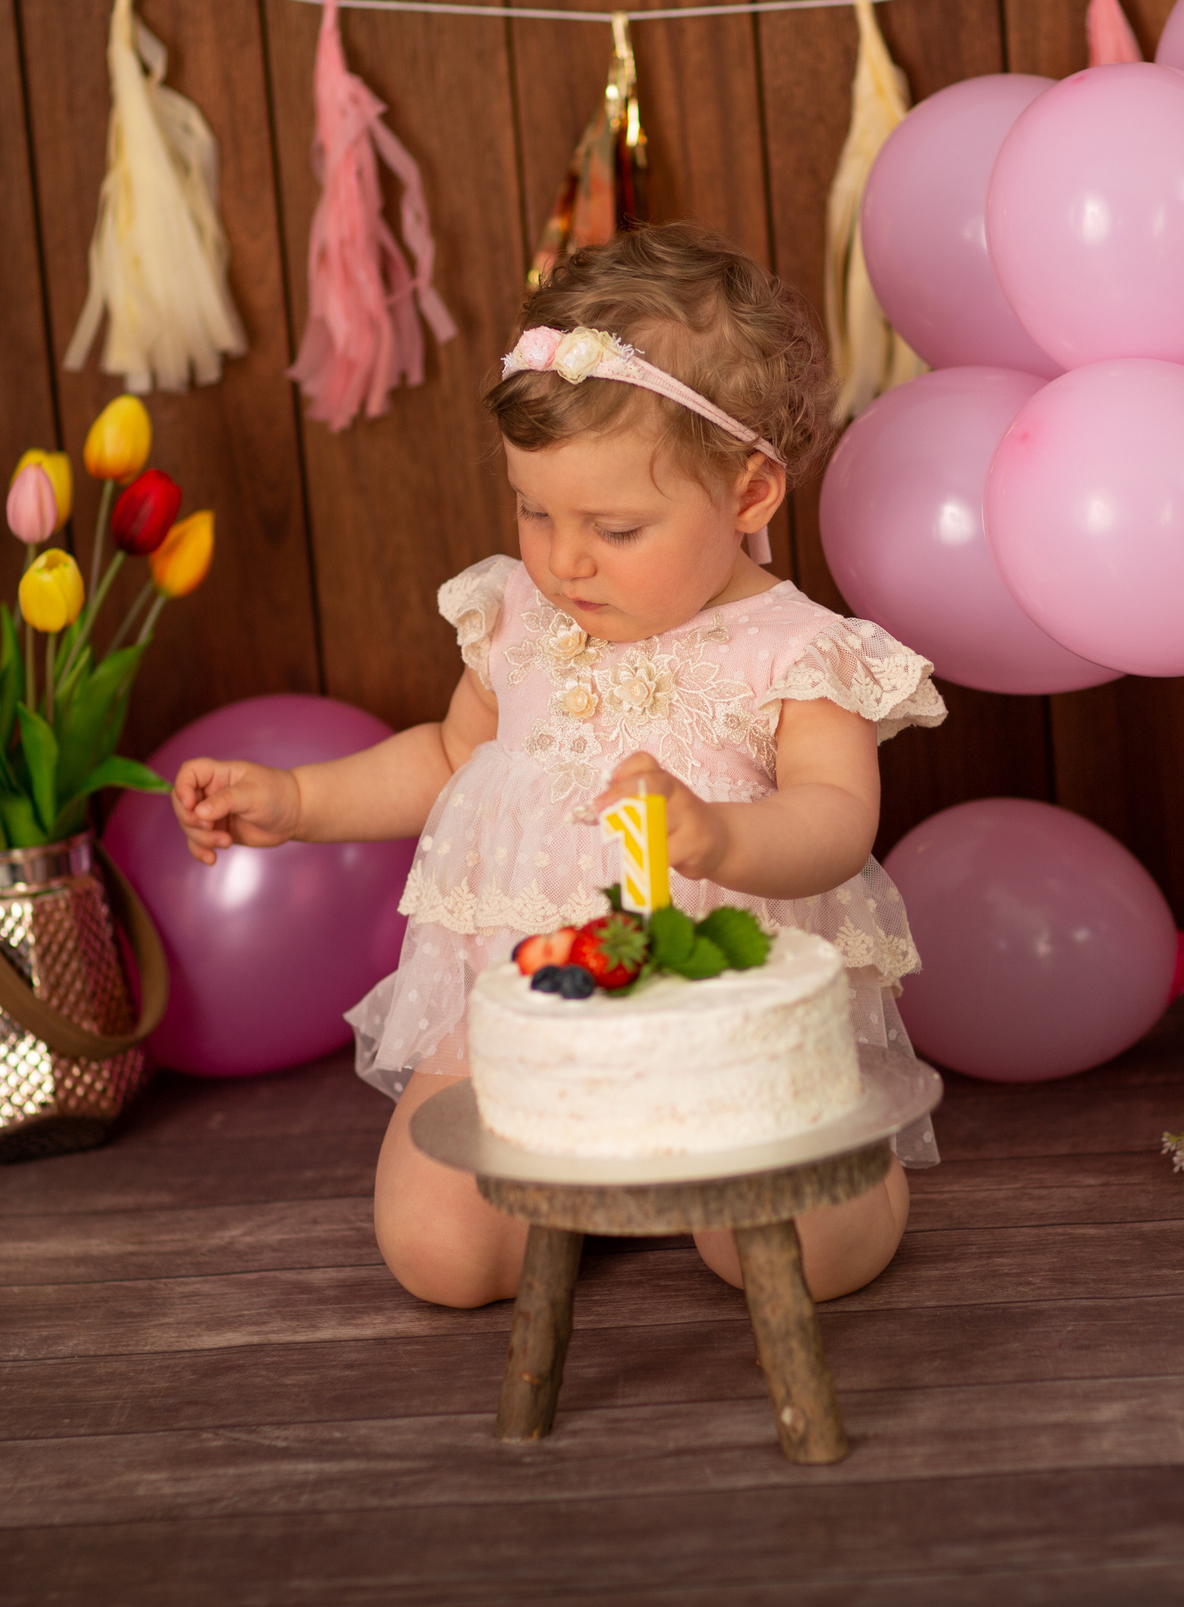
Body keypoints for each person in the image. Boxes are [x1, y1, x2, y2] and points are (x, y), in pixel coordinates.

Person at [173, 223, 944, 1308]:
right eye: (532, 510)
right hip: (523, 1011)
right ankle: (572, 1184)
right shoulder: (519, 616)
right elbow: (448, 755)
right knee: (440, 1257)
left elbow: (834, 819)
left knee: (805, 1260)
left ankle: (800, 1185)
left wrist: (722, 837)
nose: (563, 557)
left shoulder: (794, 651)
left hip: (724, 1022)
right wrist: (300, 801)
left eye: (616, 527)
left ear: (749, 496)